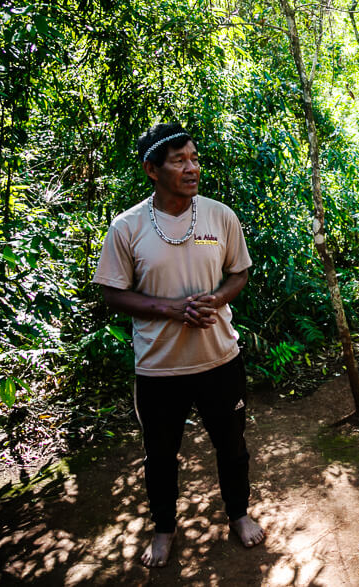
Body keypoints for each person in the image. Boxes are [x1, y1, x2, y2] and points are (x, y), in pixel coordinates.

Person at [93, 122, 265, 568]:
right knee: (160, 456)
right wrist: (171, 310)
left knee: (232, 445)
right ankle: (164, 529)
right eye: (179, 161)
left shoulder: (219, 215)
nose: (192, 168)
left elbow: (238, 273)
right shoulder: (127, 226)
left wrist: (217, 300)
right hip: (158, 369)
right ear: (152, 169)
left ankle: (239, 514)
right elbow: (112, 293)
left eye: (194, 158)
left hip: (219, 360)